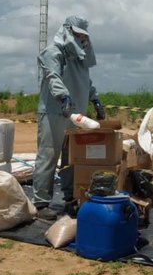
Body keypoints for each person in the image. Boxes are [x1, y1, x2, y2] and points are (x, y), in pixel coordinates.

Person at [33, 16, 107, 221]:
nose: (82, 39)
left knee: (71, 158)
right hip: (55, 111)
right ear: (68, 31)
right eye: (78, 35)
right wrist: (63, 96)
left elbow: (85, 81)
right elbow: (52, 77)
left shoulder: (79, 58)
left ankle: (70, 199)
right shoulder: (53, 52)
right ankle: (40, 203)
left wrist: (95, 100)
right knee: (48, 155)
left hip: (76, 115)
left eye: (84, 36)